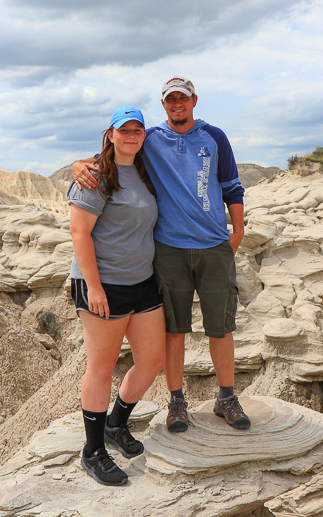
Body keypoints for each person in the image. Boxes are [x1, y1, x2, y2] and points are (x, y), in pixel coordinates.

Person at [73, 77, 251, 435]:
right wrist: (79, 163)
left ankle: (227, 397)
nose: (177, 104)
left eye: (182, 98)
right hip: (168, 249)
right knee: (175, 330)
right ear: (164, 103)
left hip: (213, 245)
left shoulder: (214, 137)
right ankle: (177, 402)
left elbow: (231, 185)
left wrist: (238, 230)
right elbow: (113, 154)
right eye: (170, 99)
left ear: (194, 101)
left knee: (222, 328)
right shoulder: (152, 137)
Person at [68, 106, 165, 487]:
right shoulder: (96, 175)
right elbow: (80, 233)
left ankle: (115, 424)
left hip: (142, 282)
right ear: (110, 134)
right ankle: (92, 452)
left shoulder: (143, 170)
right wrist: (93, 287)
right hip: (103, 284)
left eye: (137, 129)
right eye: (123, 130)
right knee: (102, 367)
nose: (131, 135)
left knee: (152, 359)